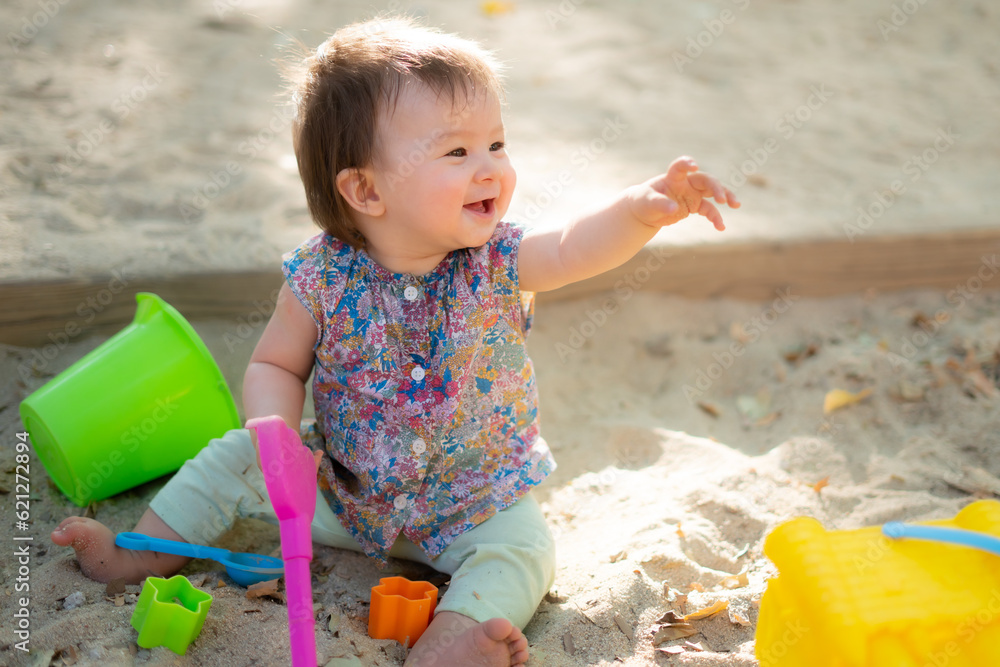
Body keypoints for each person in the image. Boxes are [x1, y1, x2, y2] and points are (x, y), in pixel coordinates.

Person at [51, 15, 738, 667]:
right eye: (458, 151)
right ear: (365, 190)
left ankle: (456, 635)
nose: (491, 167)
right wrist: (276, 434)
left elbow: (573, 247)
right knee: (233, 456)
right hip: (344, 492)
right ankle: (140, 549)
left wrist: (642, 209)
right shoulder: (320, 276)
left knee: (525, 548)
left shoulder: (495, 259)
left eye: (496, 143)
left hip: (473, 504)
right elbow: (274, 363)